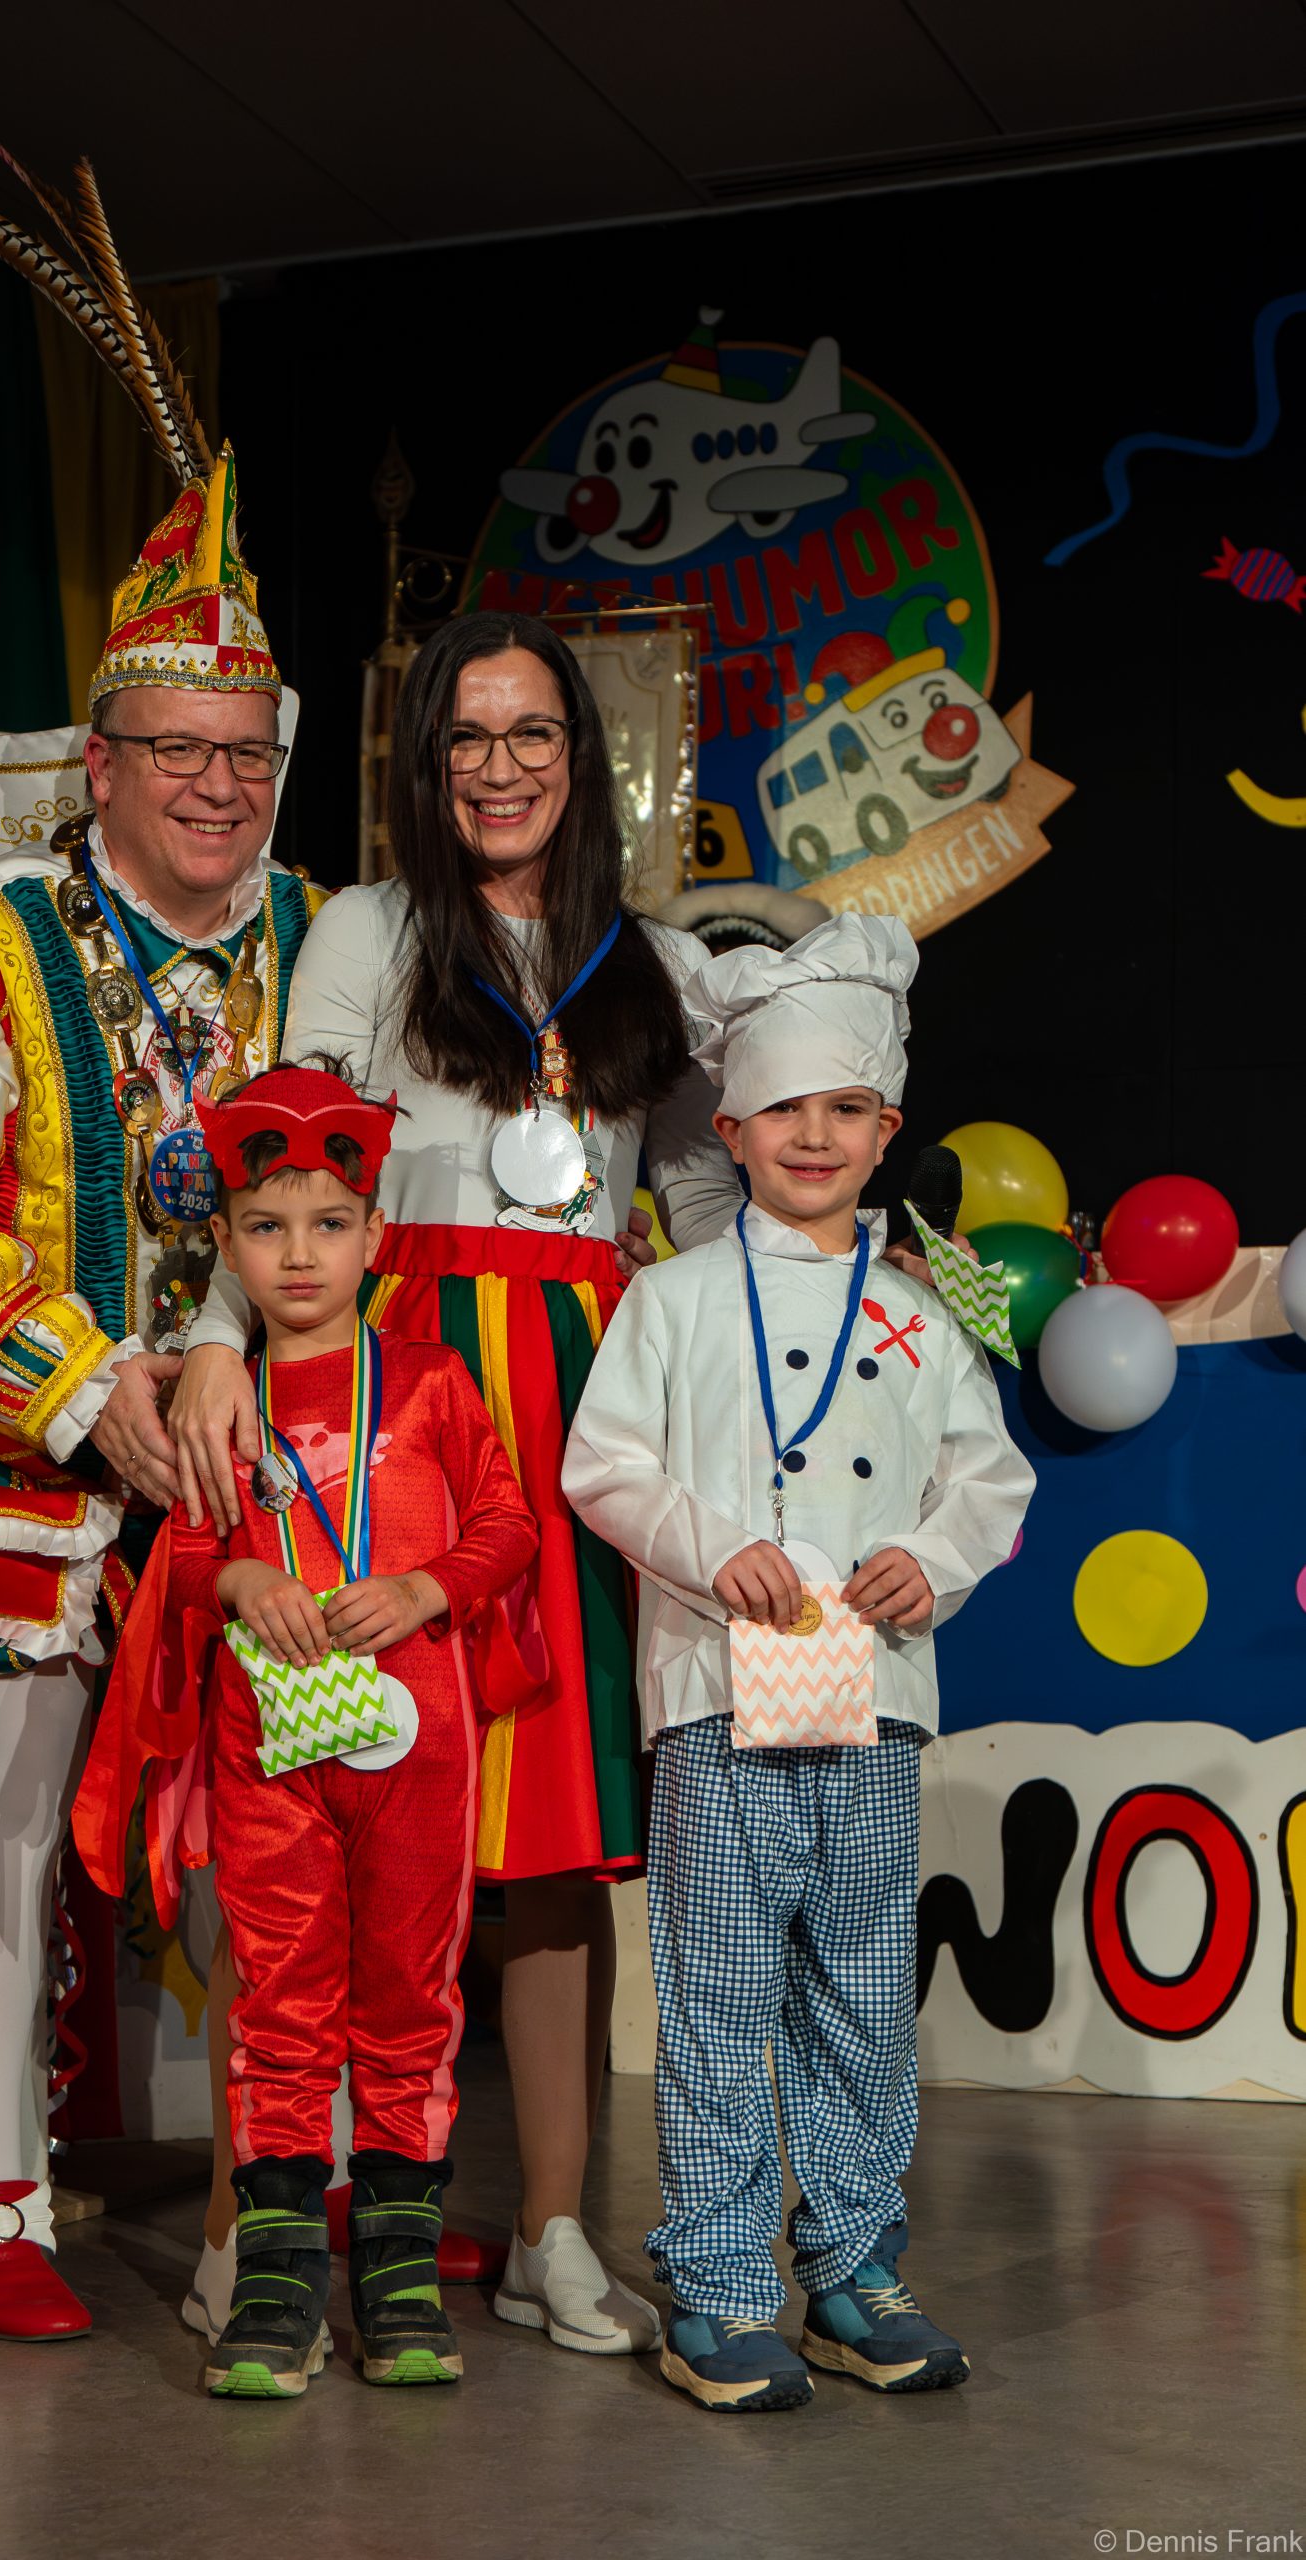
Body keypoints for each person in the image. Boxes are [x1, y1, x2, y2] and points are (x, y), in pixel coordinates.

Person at [171, 611, 745, 2355]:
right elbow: (291, 1142)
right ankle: (251, 2224)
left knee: (552, 1842)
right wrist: (218, 1337)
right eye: (465, 739)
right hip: (389, 1396)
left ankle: (555, 2227)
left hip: (576, 1410)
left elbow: (705, 1203)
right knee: (314, 1803)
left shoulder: (655, 963)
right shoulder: (370, 927)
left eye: (531, 733)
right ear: (423, 766)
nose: (499, 767)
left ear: (583, 754)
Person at [0, 447, 329, 2339]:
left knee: (285, 1852)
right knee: (0, 1856)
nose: (215, 785)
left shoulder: (326, 945)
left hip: (263, 1480)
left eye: (245, 753)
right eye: (177, 748)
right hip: (10, 1479)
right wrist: (91, 1387)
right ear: (96, 763)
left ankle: (286, 2200)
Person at [561, 912, 1034, 2412]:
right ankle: (713, 2286)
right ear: (730, 1128)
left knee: (860, 1988)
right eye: (782, 1110)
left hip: (873, 1697)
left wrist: (931, 1562)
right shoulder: (673, 1298)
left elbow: (989, 1479)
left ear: (886, 1128)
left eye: (844, 1109)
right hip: (720, 1696)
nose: (813, 1136)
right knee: (715, 1998)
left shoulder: (920, 1312)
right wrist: (712, 1549)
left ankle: (850, 2266)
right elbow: (603, 1465)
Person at [94, 1062, 538, 2397]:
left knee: (410, 2003)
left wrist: (422, 1588)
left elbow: (507, 1525)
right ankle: (277, 2288)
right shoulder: (216, 1402)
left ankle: (397, 2282)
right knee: (279, 2009)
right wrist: (240, 1577)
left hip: (419, 1746)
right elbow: (181, 1562)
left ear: (373, 1233)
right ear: (225, 1247)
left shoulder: (428, 1383)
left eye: (329, 1224)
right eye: (267, 1227)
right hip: (267, 1750)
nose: (300, 1254)